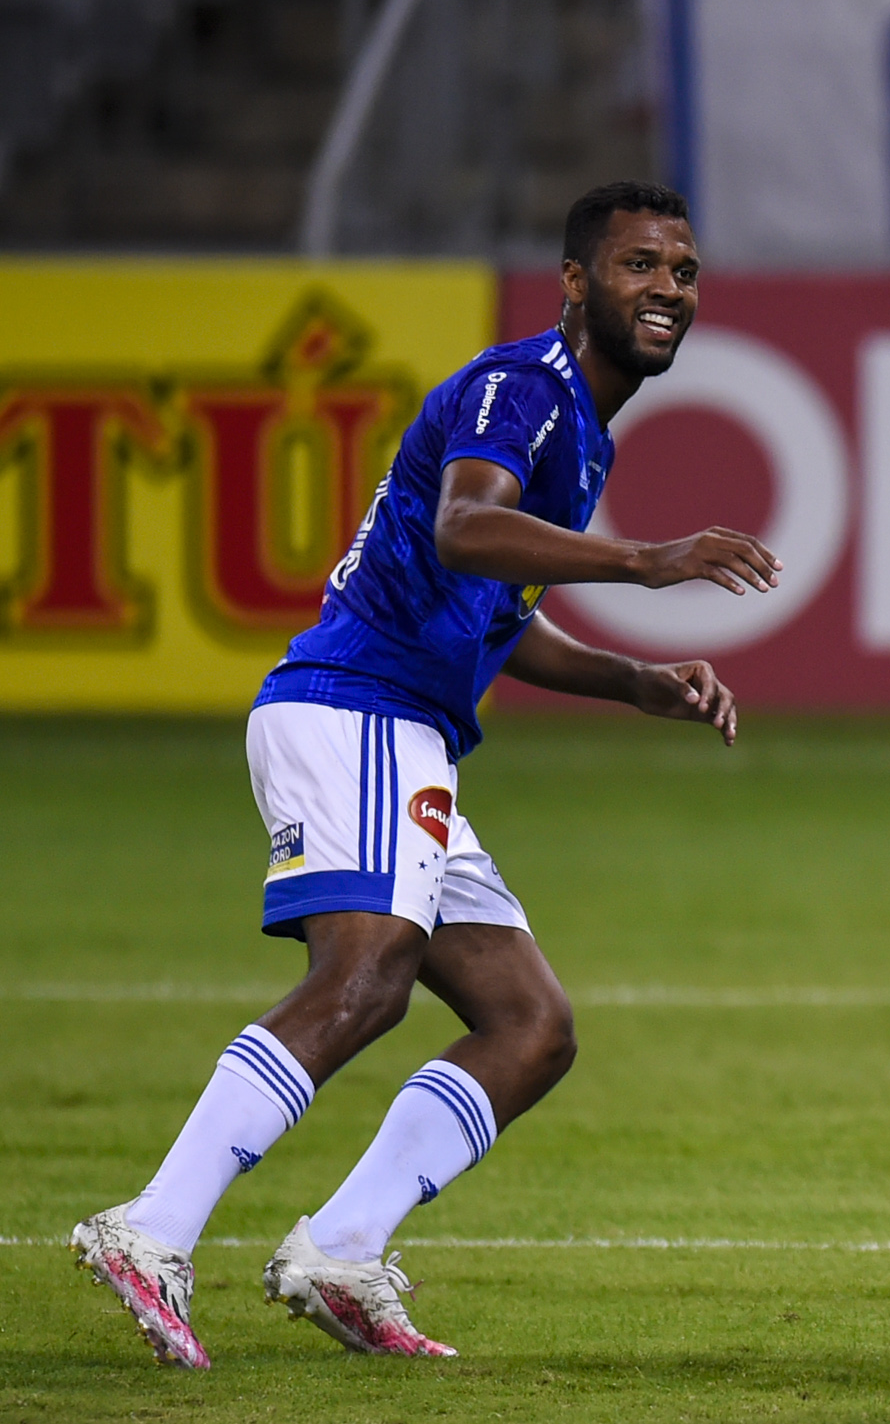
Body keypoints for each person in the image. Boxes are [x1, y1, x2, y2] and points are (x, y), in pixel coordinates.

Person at [70, 180, 782, 1368]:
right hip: (357, 708)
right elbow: (463, 526)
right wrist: (647, 561)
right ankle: (151, 1227)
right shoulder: (525, 388)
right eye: (639, 265)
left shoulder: (581, 429)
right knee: (365, 979)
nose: (667, 288)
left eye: (683, 271)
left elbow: (495, 611)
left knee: (529, 1024)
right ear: (575, 283)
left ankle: (342, 1249)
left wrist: (634, 682)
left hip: (406, 731)